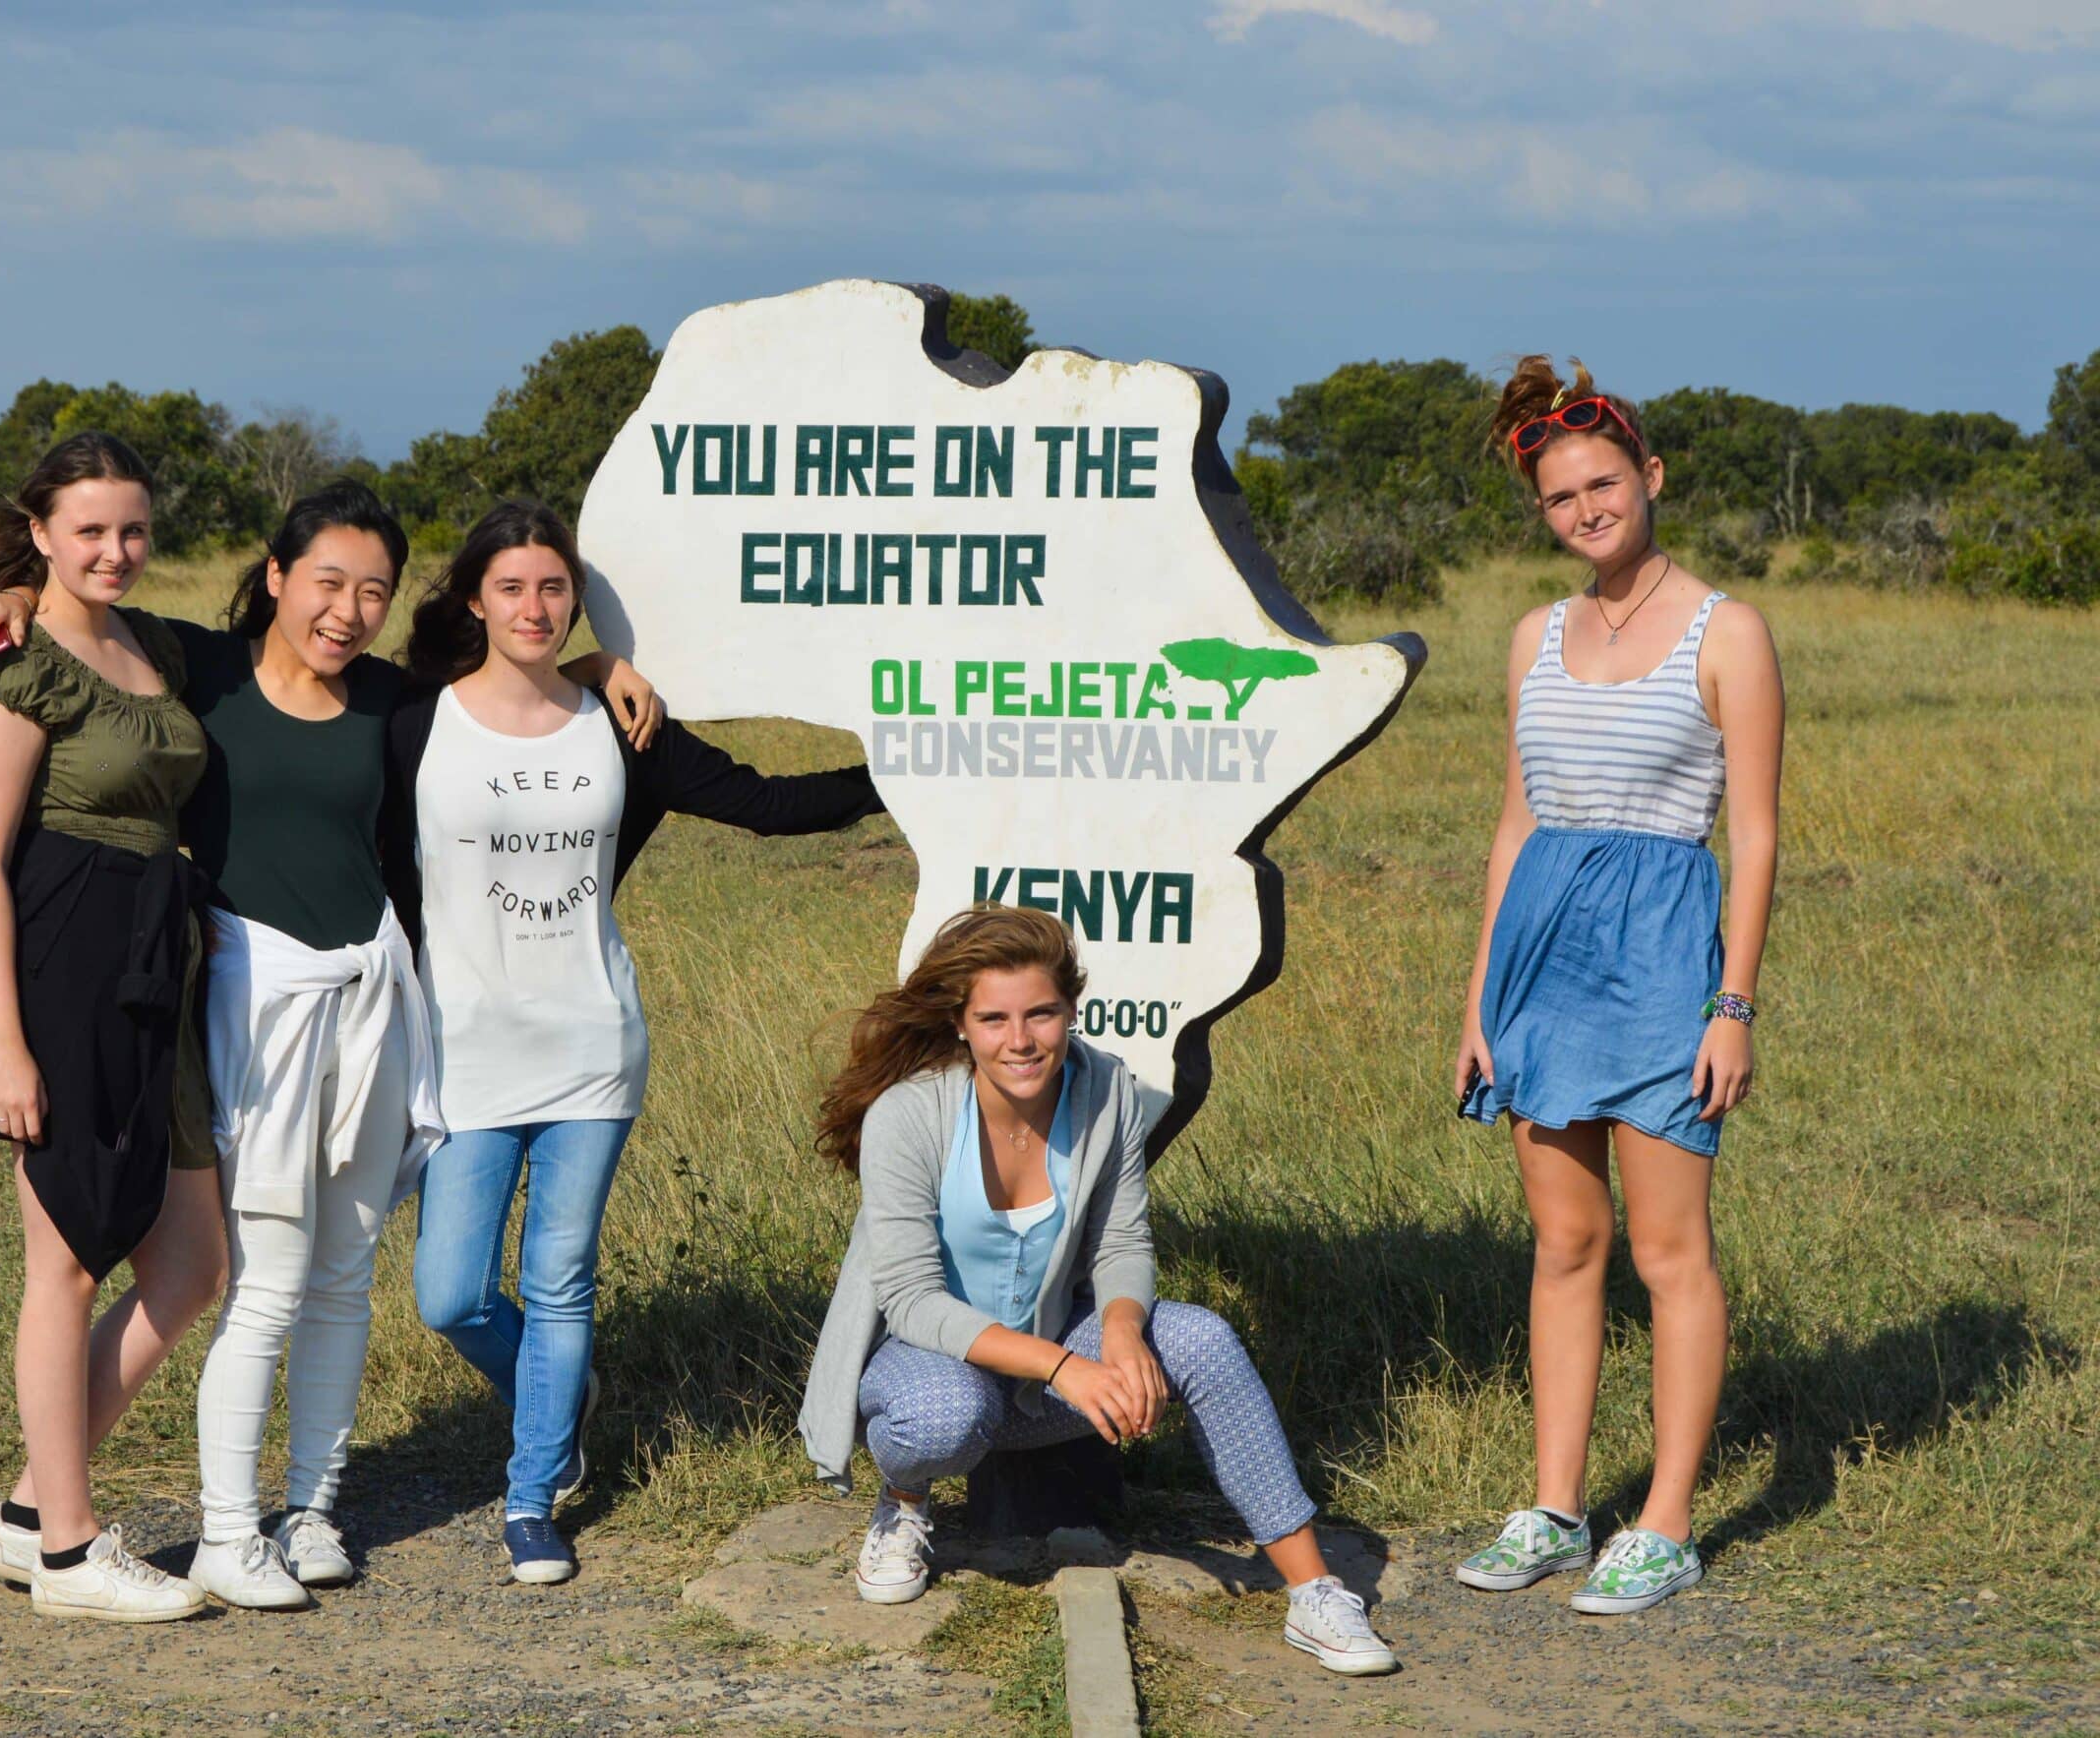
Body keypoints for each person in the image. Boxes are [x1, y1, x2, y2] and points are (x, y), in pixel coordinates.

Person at [0, 485, 660, 1612]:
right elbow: (91, 609)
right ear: (276, 577)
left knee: (345, 1271)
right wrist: (13, 593)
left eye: (373, 590)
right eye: (327, 581)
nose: (348, 611)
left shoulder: (389, 701)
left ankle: (312, 1507)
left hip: (374, 997)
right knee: (261, 1274)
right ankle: (229, 1533)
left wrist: (591, 669)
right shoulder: (210, 672)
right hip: (252, 997)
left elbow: (498, 686)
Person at [388, 499, 885, 1587]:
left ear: (578, 602)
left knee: (561, 1281)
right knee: (452, 1295)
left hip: (591, 1047)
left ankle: (534, 1496)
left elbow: (764, 803)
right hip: (461, 1050)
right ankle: (556, 1390)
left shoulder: (617, 721)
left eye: (553, 588)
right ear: (473, 599)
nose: (533, 606)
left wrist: (917, 771)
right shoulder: (413, 722)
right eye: (511, 587)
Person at [798, 905, 1401, 1676]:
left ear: (1071, 1008)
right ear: (960, 1023)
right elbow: (912, 1298)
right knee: (948, 1412)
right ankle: (905, 1502)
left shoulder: (1107, 1086)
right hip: (929, 1367)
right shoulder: (908, 1114)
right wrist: (1065, 1367)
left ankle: (1315, 1589)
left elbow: (1122, 1241)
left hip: (1051, 1357)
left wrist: (1119, 1334)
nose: (1021, 1039)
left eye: (1042, 1013)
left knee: (1202, 1337)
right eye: (994, 1018)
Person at [1453, 357, 1783, 1614]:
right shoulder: (1535, 636)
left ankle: (1664, 1522)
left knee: (1667, 1247)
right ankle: (1552, 1507)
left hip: (1661, 958)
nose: (1585, 509)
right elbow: (1512, 822)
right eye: (1558, 497)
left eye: (1602, 484)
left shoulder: (1726, 630)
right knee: (1564, 1243)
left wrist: (1731, 1006)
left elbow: (1751, 835)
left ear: (1649, 478)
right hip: (1541, 957)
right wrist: (1482, 998)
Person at [0, 431, 220, 1621]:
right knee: (64, 1259)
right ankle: (66, 1553)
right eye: (89, 529)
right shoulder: (15, 663)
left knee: (194, 1261)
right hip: (60, 969)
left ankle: (25, 1509)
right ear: (41, 531)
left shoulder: (153, 643)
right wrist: (6, 1043)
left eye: (133, 529)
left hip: (162, 964)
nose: (115, 550)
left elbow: (302, 628)